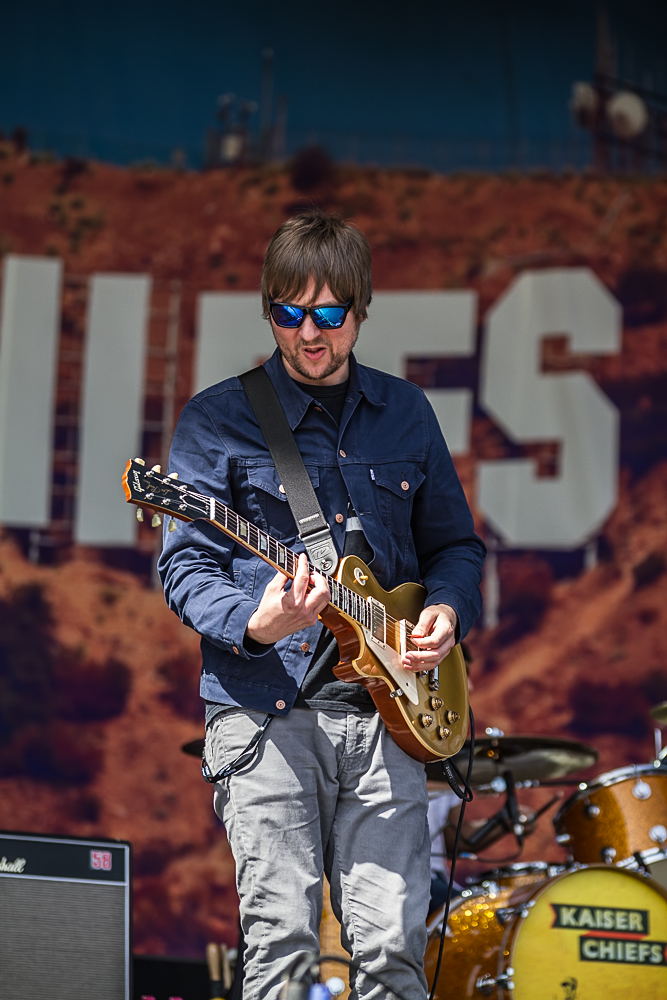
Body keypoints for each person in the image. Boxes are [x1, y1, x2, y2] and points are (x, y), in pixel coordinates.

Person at [158, 212, 486, 1000]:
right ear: (268, 310)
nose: (308, 334)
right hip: (265, 710)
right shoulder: (217, 419)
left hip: (387, 717)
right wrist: (254, 622)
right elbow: (184, 565)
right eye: (288, 313)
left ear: (360, 310)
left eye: (329, 315)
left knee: (393, 954)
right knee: (282, 947)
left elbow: (455, 548)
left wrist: (445, 612)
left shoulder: (405, 413)